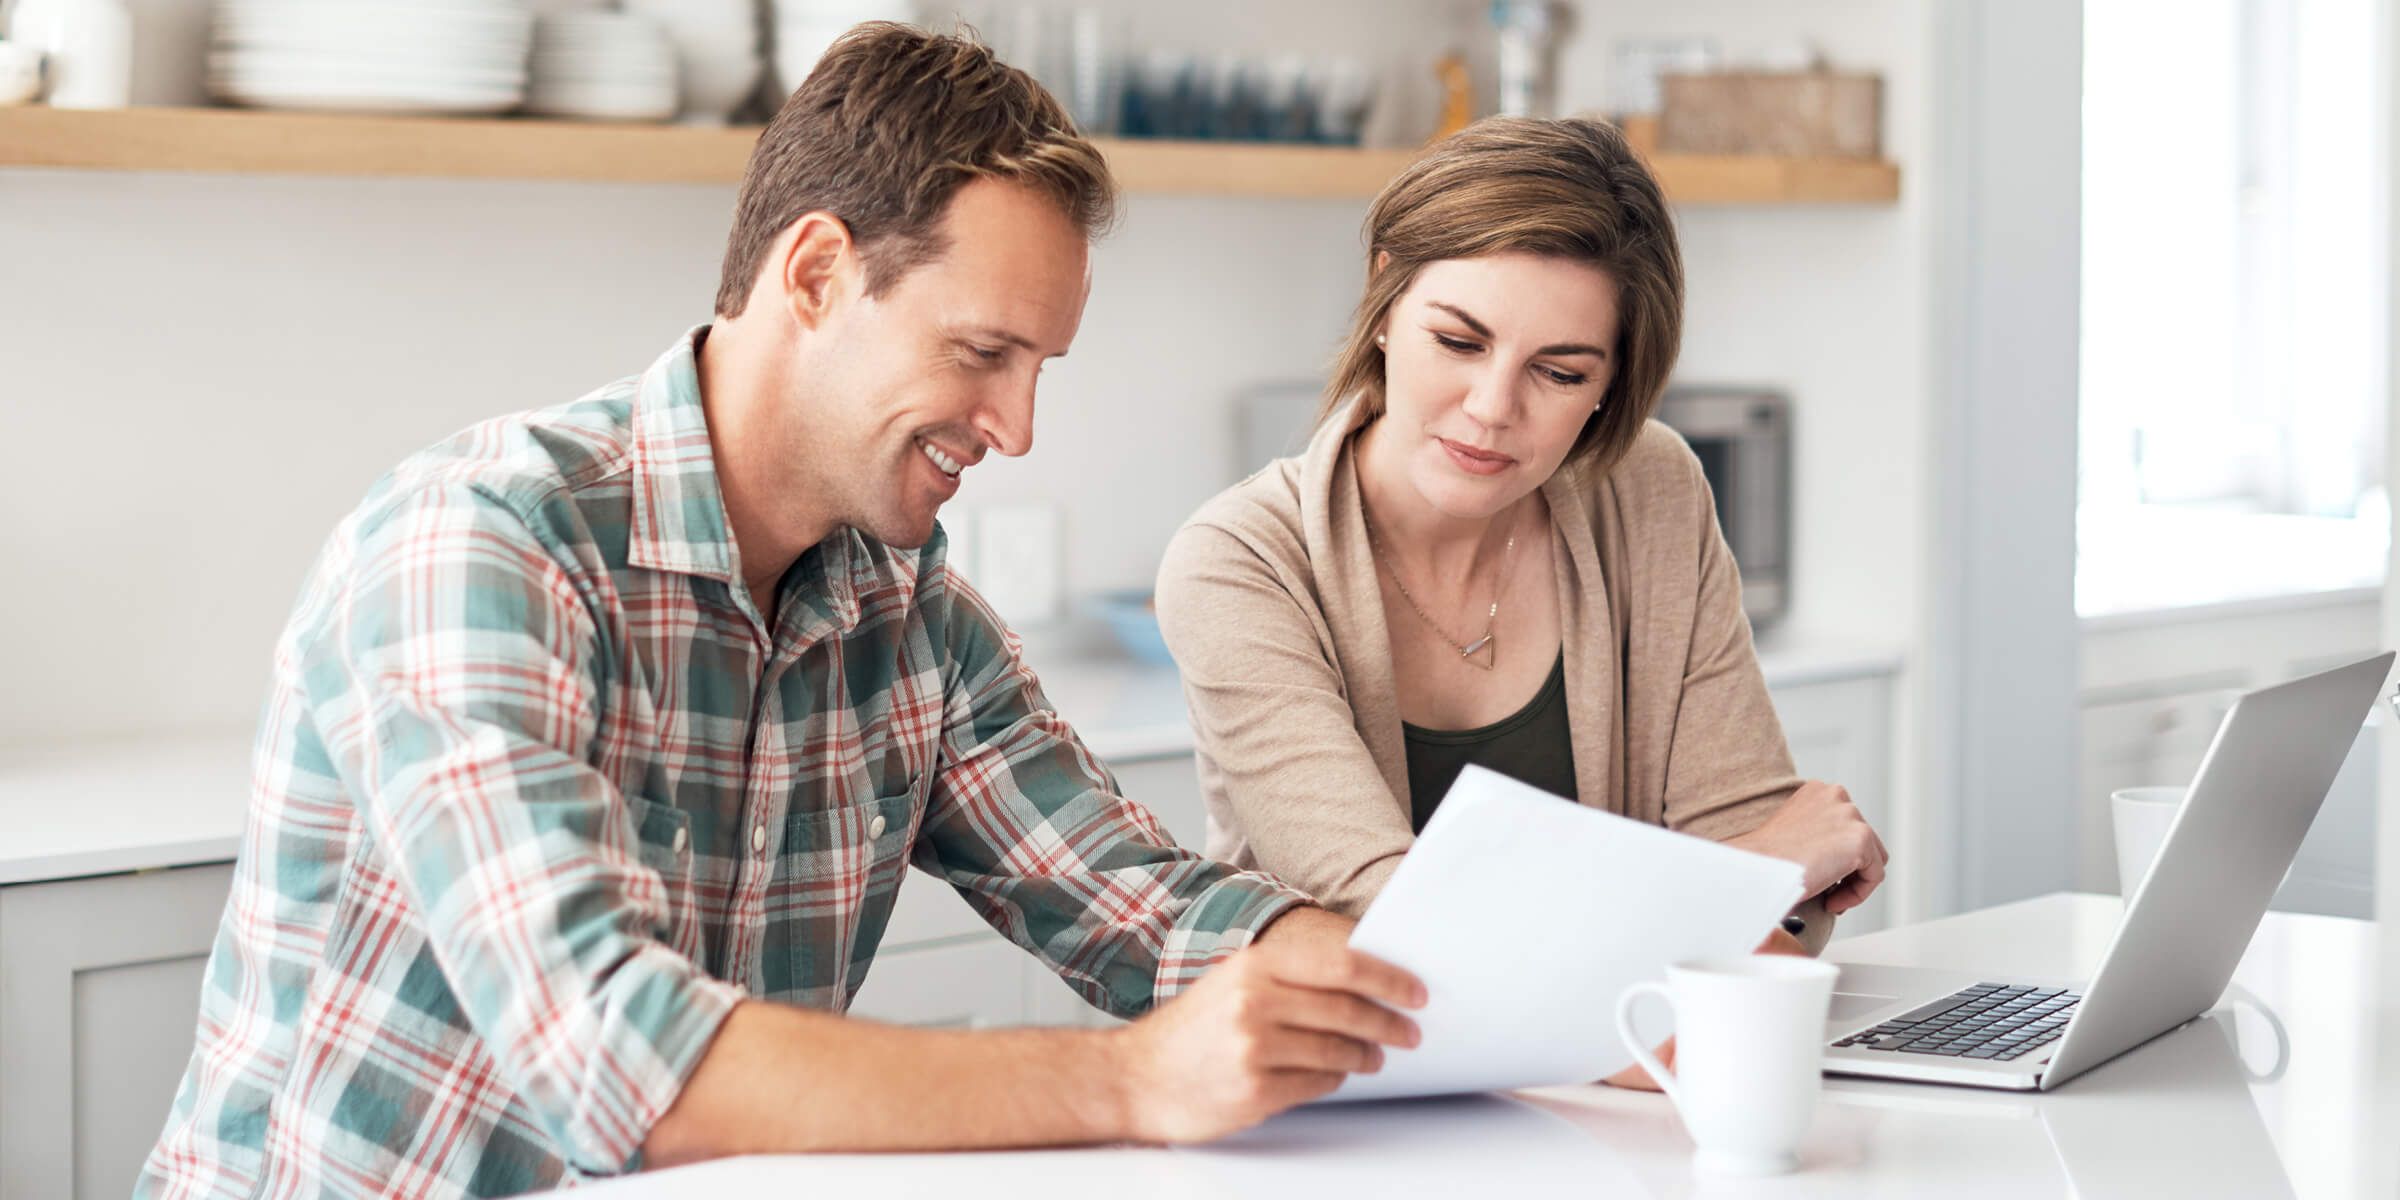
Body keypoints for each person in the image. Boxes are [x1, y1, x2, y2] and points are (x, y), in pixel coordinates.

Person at [138, 25, 1422, 1198]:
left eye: (1041, 370)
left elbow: (1145, 907)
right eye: (982, 354)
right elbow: (614, 1055)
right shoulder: (485, 545)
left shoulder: (912, 617)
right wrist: (1132, 1082)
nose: (1018, 429)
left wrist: (1436, 986)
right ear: (815, 272)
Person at [1154, 117, 1888, 996]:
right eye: (1459, 342)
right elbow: (1389, 926)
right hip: (1340, 1098)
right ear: (1385, 302)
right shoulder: (1239, 563)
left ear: (1611, 385)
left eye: (1561, 372)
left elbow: (1781, 911)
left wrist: (1760, 873)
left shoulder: (1649, 490)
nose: (1492, 407)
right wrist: (1750, 870)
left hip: (1607, 1079)